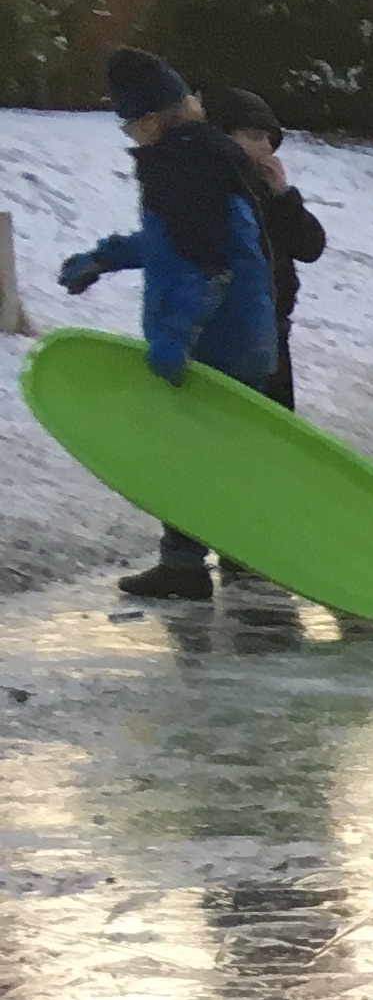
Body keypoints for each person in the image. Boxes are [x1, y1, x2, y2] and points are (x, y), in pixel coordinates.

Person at [54, 47, 280, 604]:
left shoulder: (182, 167)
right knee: (204, 455)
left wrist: (176, 338)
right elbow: (174, 244)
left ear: (151, 118)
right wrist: (106, 257)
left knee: (187, 457)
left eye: (129, 122)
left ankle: (190, 566)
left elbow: (207, 266)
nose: (129, 133)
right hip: (241, 333)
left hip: (217, 342)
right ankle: (204, 558)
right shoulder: (199, 156)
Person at [204, 88, 328, 414]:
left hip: (272, 335)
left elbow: (311, 247)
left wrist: (284, 196)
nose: (266, 147)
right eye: (254, 136)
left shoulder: (267, 193)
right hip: (228, 339)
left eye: (269, 139)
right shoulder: (210, 192)